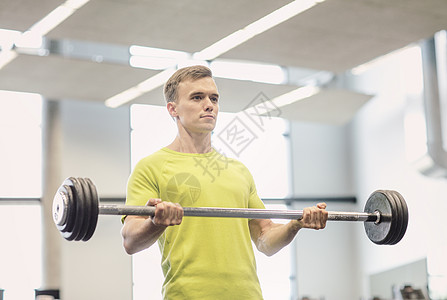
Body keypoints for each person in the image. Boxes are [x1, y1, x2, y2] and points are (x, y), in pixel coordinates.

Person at [121, 65, 328, 299]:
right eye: (197, 97)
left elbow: (265, 239)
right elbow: (130, 240)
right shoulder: (151, 167)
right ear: (173, 109)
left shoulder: (238, 171)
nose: (209, 104)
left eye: (214, 98)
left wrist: (295, 225)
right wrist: (156, 222)